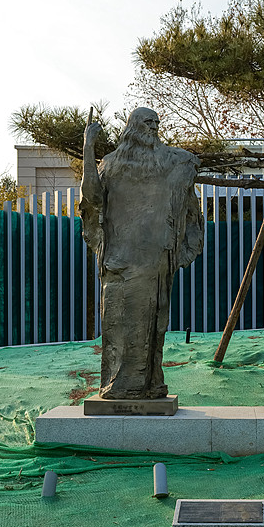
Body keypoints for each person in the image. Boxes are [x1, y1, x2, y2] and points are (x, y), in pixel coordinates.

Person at [80, 107, 204, 400]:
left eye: (157, 123)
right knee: (119, 324)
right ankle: (121, 386)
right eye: (148, 122)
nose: (154, 128)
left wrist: (182, 247)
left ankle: (150, 383)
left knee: (154, 324)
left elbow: (190, 210)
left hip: (156, 257)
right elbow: (93, 198)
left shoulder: (174, 162)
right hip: (120, 260)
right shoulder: (110, 165)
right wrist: (88, 148)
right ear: (133, 126)